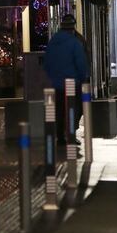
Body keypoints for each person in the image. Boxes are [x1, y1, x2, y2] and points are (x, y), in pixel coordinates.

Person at [44, 14, 89, 146]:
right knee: (73, 109)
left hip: (56, 83)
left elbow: (47, 63)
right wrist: (83, 77)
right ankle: (71, 134)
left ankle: (60, 136)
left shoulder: (52, 42)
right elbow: (80, 63)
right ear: (72, 28)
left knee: (59, 109)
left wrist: (53, 77)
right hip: (72, 83)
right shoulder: (75, 43)